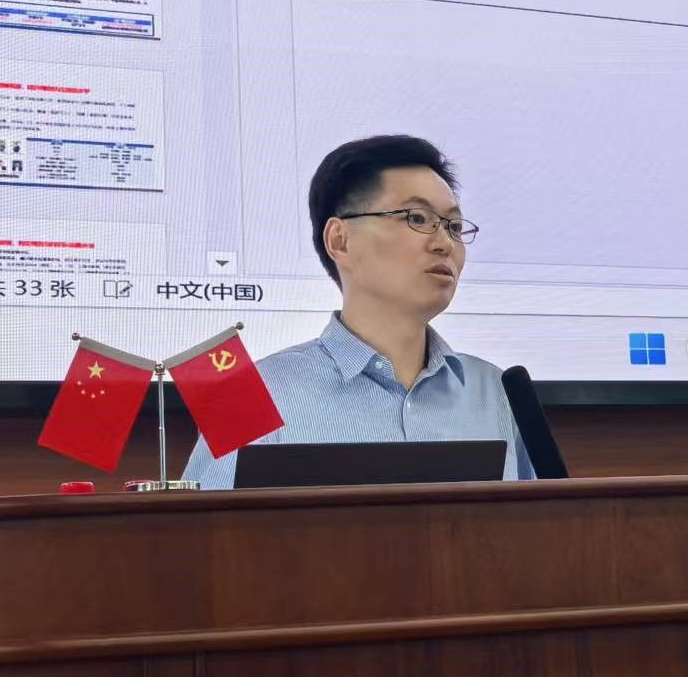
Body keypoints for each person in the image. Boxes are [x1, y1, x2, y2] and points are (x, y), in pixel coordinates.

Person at [182, 134, 534, 488]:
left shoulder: (496, 394)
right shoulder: (246, 396)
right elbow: (206, 523)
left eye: (454, 227)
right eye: (417, 218)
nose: (444, 243)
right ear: (340, 240)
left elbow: (537, 520)